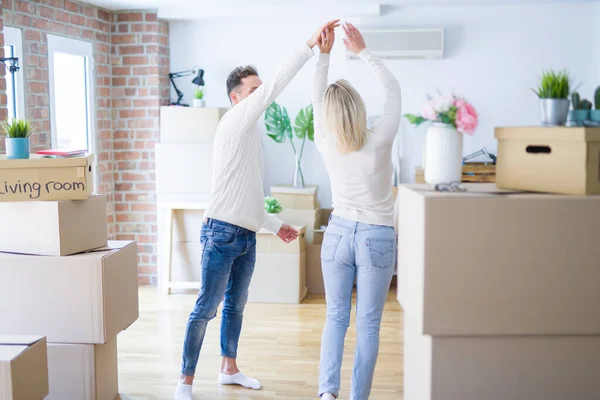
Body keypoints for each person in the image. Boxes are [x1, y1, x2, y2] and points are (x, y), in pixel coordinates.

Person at [174, 19, 342, 400]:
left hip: (244, 234)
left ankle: (228, 369)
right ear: (237, 97)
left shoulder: (250, 136)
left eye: (259, 88)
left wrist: (273, 224)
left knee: (235, 306)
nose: (262, 93)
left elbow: (245, 194)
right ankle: (184, 381)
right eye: (254, 89)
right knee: (206, 308)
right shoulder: (235, 121)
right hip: (220, 234)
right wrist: (309, 45)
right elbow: (279, 82)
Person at [312, 23, 402, 400]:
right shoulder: (380, 139)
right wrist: (363, 51)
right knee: (368, 325)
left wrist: (324, 54)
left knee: (335, 318)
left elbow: (318, 97)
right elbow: (393, 90)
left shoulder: (324, 138)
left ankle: (326, 394)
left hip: (337, 234)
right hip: (376, 236)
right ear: (358, 107)